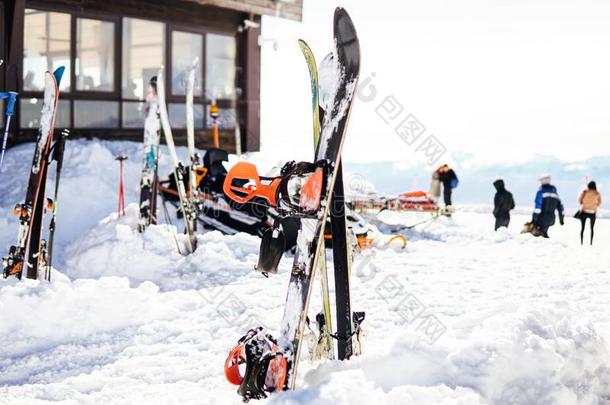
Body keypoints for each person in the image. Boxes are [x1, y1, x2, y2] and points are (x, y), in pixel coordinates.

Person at [577, 181, 601, 245]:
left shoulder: (585, 192)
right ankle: (591, 242)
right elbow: (599, 202)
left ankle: (581, 242)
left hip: (584, 211)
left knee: (582, 228)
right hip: (593, 212)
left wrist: (584, 203)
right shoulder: (597, 193)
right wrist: (594, 206)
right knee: (592, 228)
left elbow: (579, 200)